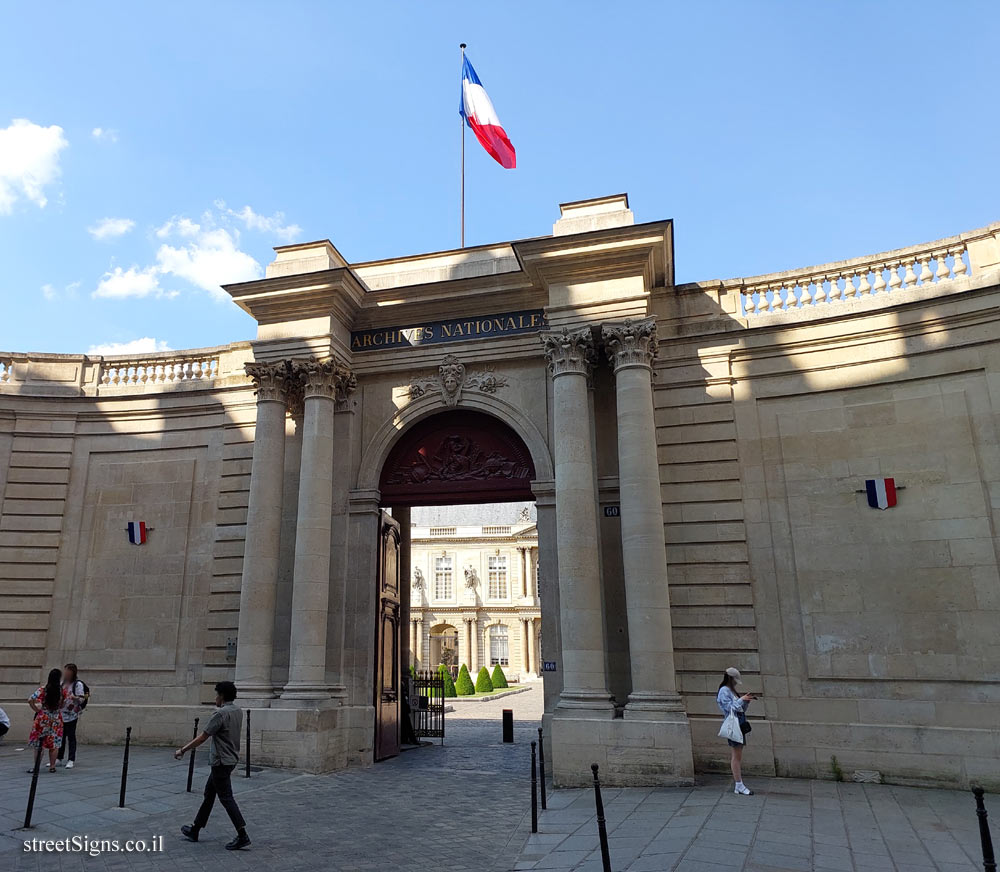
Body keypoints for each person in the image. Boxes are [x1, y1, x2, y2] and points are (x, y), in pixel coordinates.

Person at [174, 681, 250, 850]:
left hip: (220, 761)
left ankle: (242, 834)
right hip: (229, 759)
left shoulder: (220, 714)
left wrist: (182, 750)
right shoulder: (238, 711)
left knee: (226, 797)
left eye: (216, 694)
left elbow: (203, 737)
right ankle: (195, 829)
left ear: (221, 696)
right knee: (209, 794)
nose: (215, 697)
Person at [717, 666, 755, 796]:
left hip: (739, 724)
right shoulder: (724, 691)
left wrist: (746, 702)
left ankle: (739, 785)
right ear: (730, 678)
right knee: (736, 755)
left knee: (738, 755)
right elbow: (729, 709)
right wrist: (741, 700)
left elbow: (740, 709)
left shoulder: (731, 691)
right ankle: (739, 784)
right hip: (734, 726)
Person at [28, 668, 68, 773]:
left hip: (43, 718)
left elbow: (30, 699)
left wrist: (36, 709)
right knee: (54, 744)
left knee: (38, 744)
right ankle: (52, 766)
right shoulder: (62, 691)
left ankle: (36, 766)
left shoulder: (43, 689)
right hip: (56, 719)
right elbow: (64, 704)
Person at [57, 663, 86, 769]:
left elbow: (81, 698)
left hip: (72, 714)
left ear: (73, 673)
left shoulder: (77, 684)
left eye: (68, 672)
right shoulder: (62, 683)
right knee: (60, 736)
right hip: (61, 713)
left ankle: (71, 759)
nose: (66, 674)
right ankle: (59, 758)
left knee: (71, 736)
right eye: (65, 671)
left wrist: (75, 698)